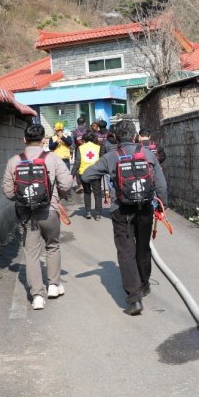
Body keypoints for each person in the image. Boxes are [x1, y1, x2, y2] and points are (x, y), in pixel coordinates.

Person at [81, 120, 168, 316]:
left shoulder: (111, 157)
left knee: (126, 252)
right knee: (143, 248)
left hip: (121, 210)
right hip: (145, 208)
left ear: (116, 138)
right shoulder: (148, 154)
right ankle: (144, 284)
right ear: (135, 136)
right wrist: (162, 206)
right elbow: (161, 185)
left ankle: (134, 299)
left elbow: (86, 176)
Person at [2, 124, 73, 310]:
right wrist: (59, 196)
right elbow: (66, 183)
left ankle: (37, 296)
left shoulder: (14, 161)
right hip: (49, 211)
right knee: (53, 245)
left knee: (31, 253)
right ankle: (53, 285)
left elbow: (8, 191)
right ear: (43, 140)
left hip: (27, 216)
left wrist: (23, 201)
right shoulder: (53, 159)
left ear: (24, 140)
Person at [77, 131, 103, 220]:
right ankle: (98, 214)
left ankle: (88, 212)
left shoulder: (80, 148)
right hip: (96, 172)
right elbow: (102, 160)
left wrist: (72, 174)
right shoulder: (98, 147)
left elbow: (77, 162)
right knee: (97, 193)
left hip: (83, 173)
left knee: (87, 192)